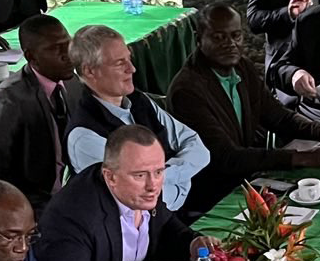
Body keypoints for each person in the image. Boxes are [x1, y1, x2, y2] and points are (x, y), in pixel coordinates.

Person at [167, 3, 320, 215]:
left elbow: (278, 116)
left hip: (246, 180)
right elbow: (225, 158)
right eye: (219, 37)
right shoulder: (187, 90)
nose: (230, 44)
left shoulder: (241, 66)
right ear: (198, 39)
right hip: (213, 196)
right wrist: (301, 157)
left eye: (236, 36)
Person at [38, 126, 205, 261]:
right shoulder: (73, 216)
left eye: (159, 172)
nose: (153, 185)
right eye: (140, 175)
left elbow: (165, 225)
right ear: (110, 176)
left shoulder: (140, 190)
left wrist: (192, 244)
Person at [63, 22, 210, 213]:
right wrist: (182, 178)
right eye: (119, 63)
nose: (132, 69)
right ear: (90, 71)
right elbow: (134, 200)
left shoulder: (141, 102)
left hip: (175, 215)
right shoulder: (85, 136)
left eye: (129, 59)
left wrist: (164, 177)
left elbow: (199, 149)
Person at [0, 13, 74, 213]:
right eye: (56, 48)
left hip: (77, 194)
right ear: (31, 57)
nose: (68, 54)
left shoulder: (75, 84)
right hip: (34, 205)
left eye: (68, 44)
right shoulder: (7, 102)